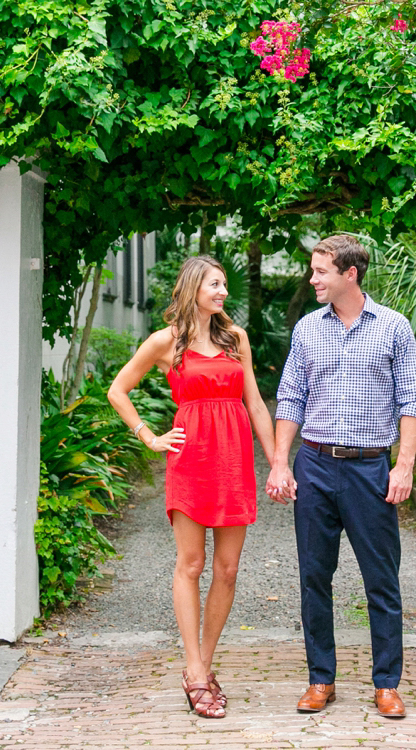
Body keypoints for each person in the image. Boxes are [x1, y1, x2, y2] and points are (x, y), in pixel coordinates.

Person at [107, 255, 277, 719]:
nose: (223, 292)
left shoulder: (235, 338)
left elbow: (257, 406)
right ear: (193, 288)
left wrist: (278, 461)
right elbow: (118, 389)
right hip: (190, 458)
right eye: (215, 285)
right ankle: (195, 670)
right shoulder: (166, 342)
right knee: (192, 563)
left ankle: (204, 661)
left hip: (234, 459)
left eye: (224, 285)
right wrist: (150, 436)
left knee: (226, 568)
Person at [266, 234, 416, 721]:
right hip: (314, 465)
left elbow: (412, 401)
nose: (312, 279)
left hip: (370, 468)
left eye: (320, 271)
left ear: (349, 274)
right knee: (314, 576)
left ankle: (387, 684)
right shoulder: (307, 330)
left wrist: (404, 466)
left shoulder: (394, 328)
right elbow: (290, 398)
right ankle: (321, 680)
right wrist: (279, 461)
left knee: (381, 579)